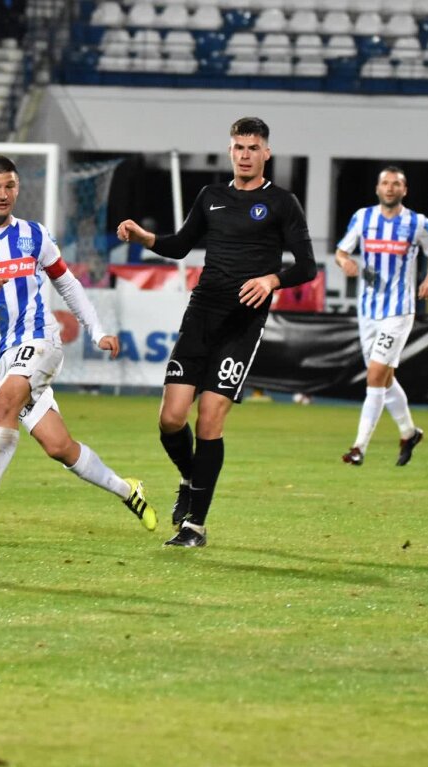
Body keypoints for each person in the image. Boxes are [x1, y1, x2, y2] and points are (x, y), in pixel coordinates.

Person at [117, 117, 316, 547]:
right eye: (238, 147)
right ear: (230, 151)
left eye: (252, 147)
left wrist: (271, 281)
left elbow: (307, 266)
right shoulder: (212, 196)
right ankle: (191, 478)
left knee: (209, 420)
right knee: (171, 418)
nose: (244, 155)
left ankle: (195, 527)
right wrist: (142, 236)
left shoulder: (282, 203)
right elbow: (179, 244)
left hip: (243, 322)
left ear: (267, 153)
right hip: (202, 313)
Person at [0, 154, 157, 534]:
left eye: (10, 186)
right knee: (59, 447)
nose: (3, 195)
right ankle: (127, 489)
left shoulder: (34, 235)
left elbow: (66, 283)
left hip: (41, 341)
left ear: (17, 188)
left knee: (4, 403)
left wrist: (96, 330)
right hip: (0, 358)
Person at [335, 166, 428, 469]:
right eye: (385, 183)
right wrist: (345, 263)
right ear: (378, 188)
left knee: (374, 375)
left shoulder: (418, 222)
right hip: (367, 310)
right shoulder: (363, 218)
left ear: (404, 190)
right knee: (385, 376)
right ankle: (409, 433)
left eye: (396, 184)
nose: (390, 188)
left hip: (399, 310)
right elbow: (342, 251)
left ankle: (358, 448)